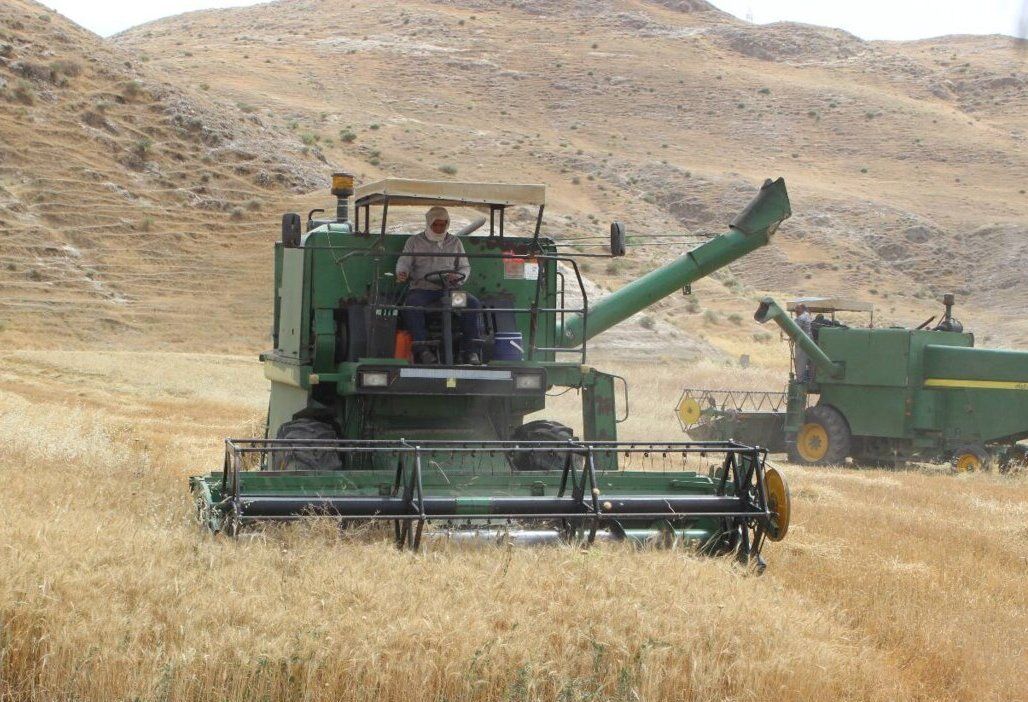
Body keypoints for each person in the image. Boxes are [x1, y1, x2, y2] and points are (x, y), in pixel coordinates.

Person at [396, 206, 483, 365]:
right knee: (412, 305)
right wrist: (402, 272)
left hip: (449, 292)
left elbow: (464, 267)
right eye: (435, 224)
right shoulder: (414, 241)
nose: (439, 228)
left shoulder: (455, 242)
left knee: (472, 303)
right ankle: (423, 350)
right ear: (429, 223)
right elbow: (404, 262)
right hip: (423, 291)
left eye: (443, 224)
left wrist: (457, 277)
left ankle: (471, 351)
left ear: (447, 224)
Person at [793, 303, 813, 382]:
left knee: (800, 361)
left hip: (803, 342)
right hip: (810, 342)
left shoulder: (802, 317)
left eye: (797, 309)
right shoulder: (808, 316)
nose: (796, 311)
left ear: (802, 309)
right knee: (810, 362)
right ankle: (810, 379)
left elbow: (794, 328)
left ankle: (800, 380)